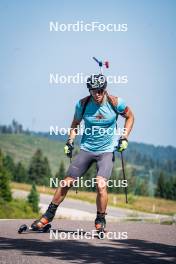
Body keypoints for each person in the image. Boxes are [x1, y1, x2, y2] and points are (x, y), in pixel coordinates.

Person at [31, 74, 134, 231]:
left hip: (106, 151)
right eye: (94, 91)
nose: (97, 94)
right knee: (66, 182)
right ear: (90, 90)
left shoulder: (116, 103)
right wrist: (70, 141)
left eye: (100, 90)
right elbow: (75, 124)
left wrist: (124, 137)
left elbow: (130, 117)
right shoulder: (82, 104)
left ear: (104, 89)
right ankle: (47, 216)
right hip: (87, 149)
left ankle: (100, 220)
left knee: (100, 185)